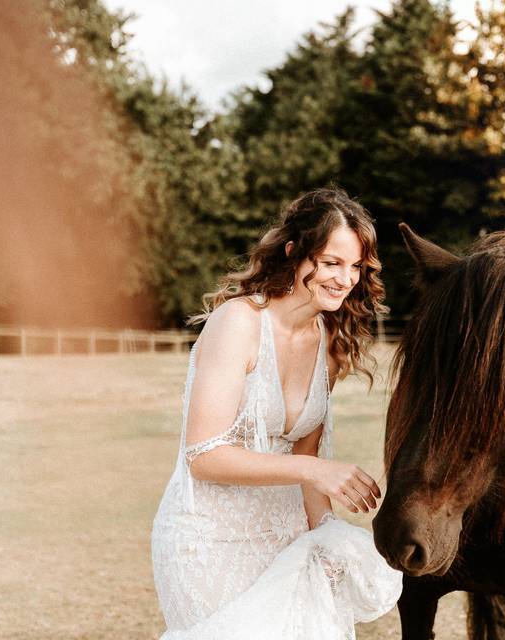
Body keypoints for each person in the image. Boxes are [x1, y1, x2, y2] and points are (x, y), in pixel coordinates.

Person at [151, 188, 402, 639]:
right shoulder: (238, 322)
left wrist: (325, 536)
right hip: (209, 541)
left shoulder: (331, 343)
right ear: (294, 253)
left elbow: (306, 465)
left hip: (285, 541)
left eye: (356, 266)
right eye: (330, 262)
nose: (345, 279)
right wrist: (317, 469)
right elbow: (204, 457)